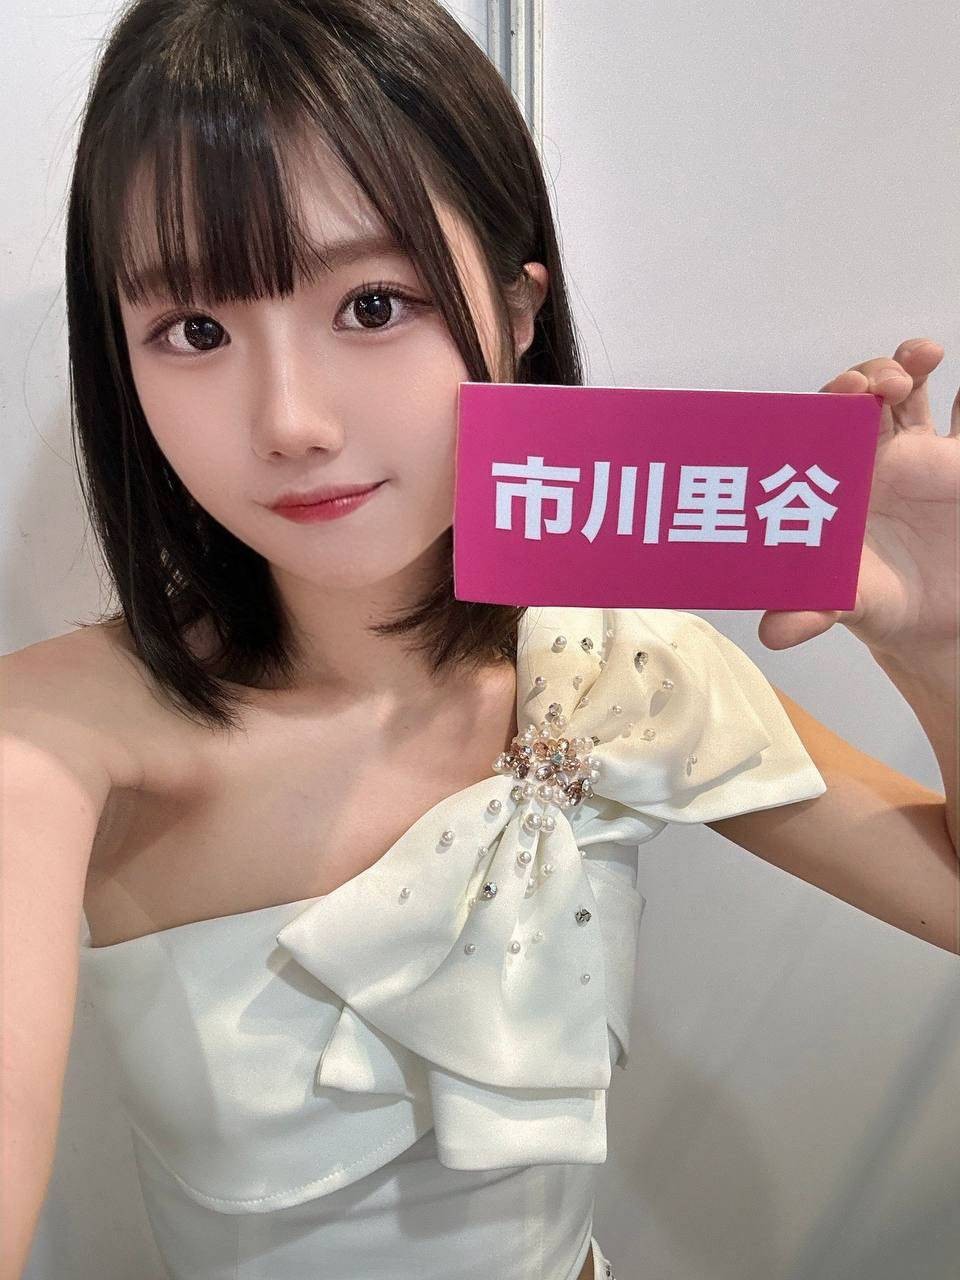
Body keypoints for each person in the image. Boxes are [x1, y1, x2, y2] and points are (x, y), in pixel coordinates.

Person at [2, 1, 957, 1277]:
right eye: (197, 331)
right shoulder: (55, 742)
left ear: (515, 310)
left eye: (374, 303)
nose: (290, 420)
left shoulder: (613, 666)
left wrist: (937, 644)